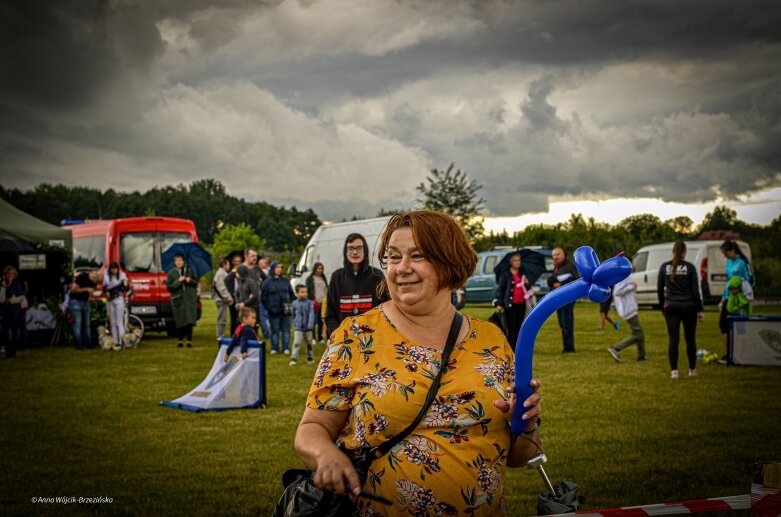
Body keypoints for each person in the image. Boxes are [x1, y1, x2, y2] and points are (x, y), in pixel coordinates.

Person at [293, 210, 542, 516]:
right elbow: (312, 427)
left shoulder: (491, 340)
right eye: (393, 257)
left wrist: (526, 422)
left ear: (451, 262)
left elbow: (521, 456)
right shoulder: (357, 336)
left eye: (417, 255)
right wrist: (326, 455)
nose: (401, 268)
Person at [325, 233, 389, 338]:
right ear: (345, 251)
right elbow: (330, 314)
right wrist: (339, 335)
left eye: (359, 248)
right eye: (350, 248)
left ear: (365, 251)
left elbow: (386, 308)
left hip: (372, 337)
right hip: (344, 339)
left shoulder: (377, 276)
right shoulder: (337, 277)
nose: (355, 252)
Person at [657, 241, 704, 379]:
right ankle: (692, 370)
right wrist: (700, 309)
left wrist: (662, 308)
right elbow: (696, 291)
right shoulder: (690, 267)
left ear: (673, 251)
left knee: (673, 340)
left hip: (671, 306)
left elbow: (659, 290)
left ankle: (674, 372)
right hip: (689, 306)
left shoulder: (664, 267)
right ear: (685, 252)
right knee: (690, 339)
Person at [718, 240, 754, 364]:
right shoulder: (728, 262)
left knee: (740, 327)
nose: (724, 256)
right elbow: (728, 281)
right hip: (728, 298)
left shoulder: (743, 262)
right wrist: (723, 298)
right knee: (723, 325)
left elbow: (751, 280)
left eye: (725, 253)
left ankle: (739, 356)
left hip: (740, 300)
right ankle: (730, 355)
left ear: (732, 250)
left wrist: (739, 289)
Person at [493, 252, 533, 350]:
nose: (518, 262)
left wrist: (527, 283)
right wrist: (499, 303)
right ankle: (510, 347)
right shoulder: (505, 275)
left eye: (519, 260)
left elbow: (527, 289)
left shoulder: (522, 274)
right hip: (510, 305)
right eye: (515, 260)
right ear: (511, 263)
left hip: (521, 304)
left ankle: (517, 347)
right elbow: (500, 290)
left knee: (519, 327)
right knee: (511, 328)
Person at [607, 272, 647, 362]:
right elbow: (617, 292)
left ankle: (642, 356)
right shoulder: (624, 276)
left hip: (629, 308)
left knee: (639, 332)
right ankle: (615, 348)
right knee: (638, 334)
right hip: (628, 309)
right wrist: (631, 287)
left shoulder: (624, 276)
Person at [547, 247, 580, 353]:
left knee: (567, 323)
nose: (556, 257)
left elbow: (576, 281)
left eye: (558, 254)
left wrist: (561, 285)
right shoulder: (556, 267)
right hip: (559, 299)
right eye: (554, 255)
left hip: (567, 299)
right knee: (562, 323)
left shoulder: (570, 266)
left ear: (564, 255)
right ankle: (567, 345)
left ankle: (569, 348)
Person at [261, 261, 296, 354]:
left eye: (280, 267)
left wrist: (291, 304)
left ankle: (286, 347)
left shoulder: (285, 281)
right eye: (277, 267)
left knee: (286, 330)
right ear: (272, 269)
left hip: (286, 311)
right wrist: (269, 308)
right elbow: (263, 297)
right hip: (273, 311)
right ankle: (275, 348)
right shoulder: (267, 282)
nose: (279, 269)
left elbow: (292, 294)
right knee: (274, 331)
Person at [165, 253, 198, 348]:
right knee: (180, 319)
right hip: (178, 299)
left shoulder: (189, 270)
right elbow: (169, 287)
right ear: (174, 262)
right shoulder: (171, 273)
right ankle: (180, 340)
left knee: (189, 319)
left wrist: (189, 280)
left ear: (183, 261)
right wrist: (178, 281)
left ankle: (189, 340)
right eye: (177, 260)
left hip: (189, 299)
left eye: (180, 260)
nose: (179, 262)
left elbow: (195, 283)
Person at [69, 269, 103, 350]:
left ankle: (88, 343)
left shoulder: (94, 281)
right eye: (93, 280)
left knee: (86, 324)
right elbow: (73, 289)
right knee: (77, 324)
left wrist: (93, 295)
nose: (94, 282)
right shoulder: (81, 277)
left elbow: (92, 291)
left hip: (85, 301)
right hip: (76, 301)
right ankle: (79, 344)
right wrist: (86, 289)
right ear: (91, 274)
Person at [1, 266, 25, 358]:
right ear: (5, 275)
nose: (10, 275)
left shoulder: (17, 284)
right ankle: (9, 354)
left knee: (16, 335)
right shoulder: (2, 285)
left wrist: (9, 300)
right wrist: (4, 287)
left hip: (16, 313)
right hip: (6, 314)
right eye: (8, 274)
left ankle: (13, 353)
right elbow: (1, 299)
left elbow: (21, 298)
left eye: (12, 274)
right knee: (8, 337)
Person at [103, 261, 129, 344]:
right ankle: (115, 341)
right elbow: (104, 288)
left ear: (118, 269)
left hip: (119, 299)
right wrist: (106, 292)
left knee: (119, 322)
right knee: (113, 322)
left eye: (115, 269)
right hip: (110, 300)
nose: (114, 270)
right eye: (112, 269)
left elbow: (126, 288)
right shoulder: (107, 277)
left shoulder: (122, 276)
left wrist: (125, 283)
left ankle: (122, 341)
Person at [290, 284, 316, 366]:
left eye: (305, 292)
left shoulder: (309, 303)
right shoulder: (294, 303)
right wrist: (295, 323)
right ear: (297, 293)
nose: (304, 294)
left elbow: (311, 314)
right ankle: (294, 358)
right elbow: (293, 314)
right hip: (298, 328)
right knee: (296, 343)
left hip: (308, 328)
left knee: (309, 343)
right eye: (302, 292)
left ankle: (310, 357)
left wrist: (310, 325)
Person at [305, 262, 328, 344]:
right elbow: (307, 291)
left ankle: (321, 338)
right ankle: (313, 338)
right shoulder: (310, 279)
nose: (320, 270)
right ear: (315, 269)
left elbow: (326, 289)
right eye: (319, 268)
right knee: (313, 321)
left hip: (323, 302)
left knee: (321, 320)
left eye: (321, 268)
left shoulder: (323, 278)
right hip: (314, 302)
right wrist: (311, 299)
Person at [212, 258, 233, 341]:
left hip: (220, 298)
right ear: (224, 265)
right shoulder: (221, 274)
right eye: (228, 264)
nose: (229, 266)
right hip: (221, 299)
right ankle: (220, 335)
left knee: (222, 317)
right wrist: (228, 297)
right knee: (221, 317)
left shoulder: (220, 273)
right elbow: (221, 287)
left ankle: (220, 334)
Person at [225, 253, 243, 335]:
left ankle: (240, 333)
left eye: (239, 261)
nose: (237, 263)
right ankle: (233, 334)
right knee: (233, 317)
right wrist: (233, 273)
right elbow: (226, 281)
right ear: (233, 262)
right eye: (236, 261)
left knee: (241, 317)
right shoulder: (230, 272)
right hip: (233, 296)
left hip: (242, 297)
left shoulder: (243, 271)